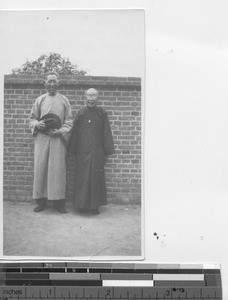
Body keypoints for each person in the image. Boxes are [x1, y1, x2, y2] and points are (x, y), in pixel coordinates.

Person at [29, 71, 73, 213]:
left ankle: (58, 202)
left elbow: (69, 120)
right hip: (42, 139)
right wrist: (37, 124)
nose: (52, 84)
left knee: (57, 169)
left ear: (58, 84)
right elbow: (32, 118)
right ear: (45, 83)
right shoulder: (40, 100)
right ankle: (41, 201)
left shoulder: (64, 100)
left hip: (57, 139)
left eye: (55, 81)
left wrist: (60, 131)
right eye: (50, 81)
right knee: (41, 168)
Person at [67, 88, 115, 214]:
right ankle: (81, 206)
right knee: (82, 179)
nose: (91, 98)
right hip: (82, 151)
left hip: (97, 152)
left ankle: (94, 206)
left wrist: (106, 151)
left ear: (97, 98)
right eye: (89, 96)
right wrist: (72, 150)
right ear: (85, 97)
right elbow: (76, 133)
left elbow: (106, 132)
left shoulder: (102, 113)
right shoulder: (81, 113)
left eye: (94, 96)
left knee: (95, 178)